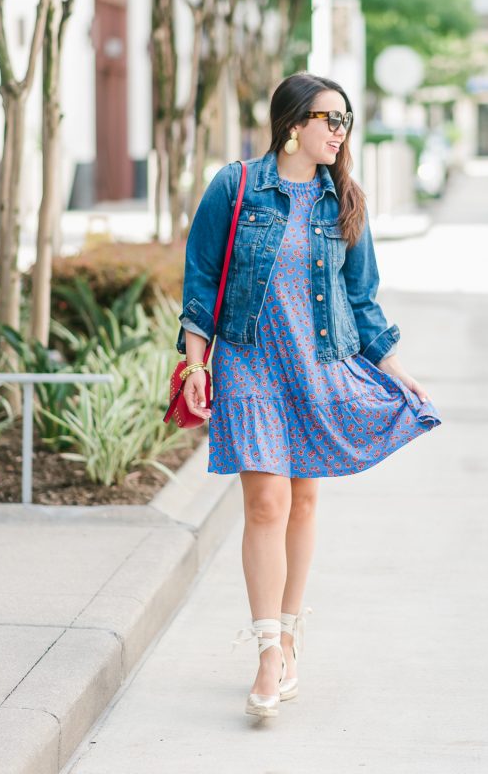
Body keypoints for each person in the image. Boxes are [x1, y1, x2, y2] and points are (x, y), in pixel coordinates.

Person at [176, 71, 442, 719]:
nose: (339, 131)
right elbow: (201, 278)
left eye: (345, 120)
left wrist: (397, 368)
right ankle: (268, 651)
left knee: (302, 499)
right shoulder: (235, 186)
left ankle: (292, 630)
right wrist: (196, 363)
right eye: (330, 119)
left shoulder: (342, 199)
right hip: (248, 363)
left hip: (318, 363)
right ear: (293, 124)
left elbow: (361, 295)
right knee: (264, 501)